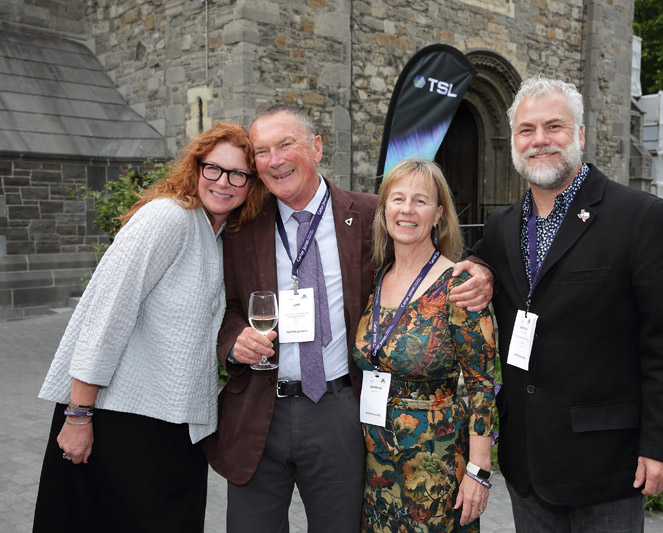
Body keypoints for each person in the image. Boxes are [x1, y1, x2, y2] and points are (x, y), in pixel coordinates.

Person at [201, 105, 494, 532]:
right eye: (262, 151)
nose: (275, 160)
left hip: (339, 409)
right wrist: (234, 340)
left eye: (286, 145)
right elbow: (223, 305)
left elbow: (425, 254)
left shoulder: (371, 215)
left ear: (316, 148)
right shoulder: (242, 225)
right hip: (259, 410)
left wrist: (482, 272)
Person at [471, 76, 663, 532]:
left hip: (606, 466)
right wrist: (478, 268)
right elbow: (479, 262)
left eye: (553, 126)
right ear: (514, 142)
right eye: (526, 130)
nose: (539, 140)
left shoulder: (640, 218)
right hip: (526, 462)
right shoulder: (501, 226)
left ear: (580, 134)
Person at [33, 122, 266, 532]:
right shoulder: (168, 217)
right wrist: (78, 415)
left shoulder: (218, 235)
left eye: (238, 175)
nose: (223, 182)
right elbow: (106, 316)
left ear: (252, 185)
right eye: (214, 168)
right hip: (120, 421)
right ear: (196, 167)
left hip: (174, 427)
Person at [352, 158, 496, 532]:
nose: (407, 210)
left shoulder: (458, 285)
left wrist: (479, 472)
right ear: (384, 210)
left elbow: (482, 386)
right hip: (375, 463)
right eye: (398, 199)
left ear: (438, 215)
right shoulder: (376, 278)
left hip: (434, 468)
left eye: (420, 201)